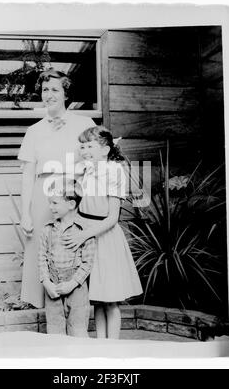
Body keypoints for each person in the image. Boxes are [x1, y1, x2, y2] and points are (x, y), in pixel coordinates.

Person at [18, 69, 95, 308]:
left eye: (54, 89)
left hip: (74, 195)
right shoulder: (34, 131)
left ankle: (78, 310)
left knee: (74, 247)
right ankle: (48, 317)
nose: (48, 94)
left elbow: (98, 160)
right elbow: (28, 174)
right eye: (44, 90)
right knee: (44, 250)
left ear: (65, 94)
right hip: (44, 196)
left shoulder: (84, 124)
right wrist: (25, 213)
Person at [62, 126, 143, 339]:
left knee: (110, 299)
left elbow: (112, 218)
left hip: (104, 237)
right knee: (97, 297)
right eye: (82, 146)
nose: (84, 150)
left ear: (105, 150)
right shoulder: (87, 170)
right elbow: (80, 203)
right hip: (86, 234)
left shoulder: (114, 171)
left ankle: (112, 348)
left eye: (89, 146)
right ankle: (100, 346)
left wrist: (83, 235)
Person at [38, 178, 95, 337]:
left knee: (78, 330)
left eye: (55, 203)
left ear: (71, 204)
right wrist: (47, 282)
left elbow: (87, 263)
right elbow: (41, 259)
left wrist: (72, 283)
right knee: (55, 331)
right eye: (50, 202)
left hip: (76, 288)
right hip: (53, 289)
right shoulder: (47, 230)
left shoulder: (84, 231)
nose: (50, 207)